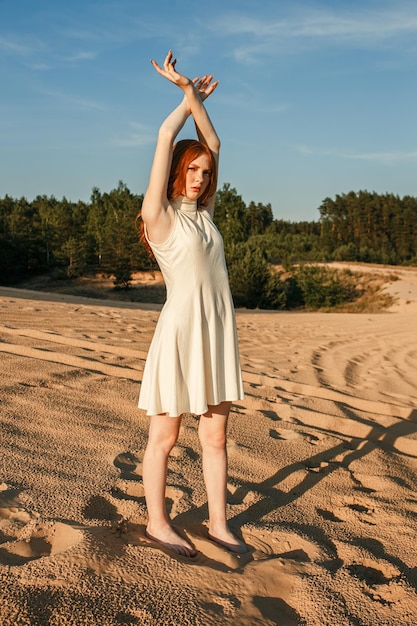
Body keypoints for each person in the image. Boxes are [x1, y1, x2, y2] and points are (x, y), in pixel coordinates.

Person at [138, 50, 246, 557]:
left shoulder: (205, 216)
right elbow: (165, 138)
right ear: (178, 171)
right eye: (193, 168)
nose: (201, 176)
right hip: (180, 333)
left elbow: (216, 141)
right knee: (166, 437)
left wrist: (198, 101)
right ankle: (158, 523)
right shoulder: (160, 219)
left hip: (216, 331)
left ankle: (218, 524)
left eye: (205, 170)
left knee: (217, 438)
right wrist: (185, 96)